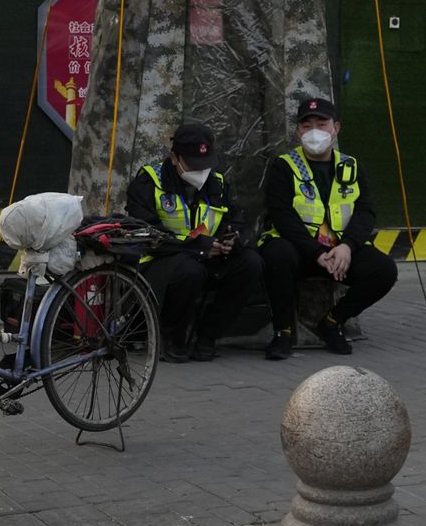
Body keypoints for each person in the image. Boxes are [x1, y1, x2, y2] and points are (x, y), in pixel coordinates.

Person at [260, 97, 398, 360]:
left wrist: (347, 247)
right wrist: (315, 252)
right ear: (298, 130)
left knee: (383, 270)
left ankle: (333, 322)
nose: (314, 132)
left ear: (336, 128)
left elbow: (365, 211)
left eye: (321, 124)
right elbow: (282, 215)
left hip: (339, 252)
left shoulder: (351, 166)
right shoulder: (284, 166)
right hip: (301, 250)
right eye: (306, 125)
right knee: (275, 255)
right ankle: (283, 332)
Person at [126, 123, 263, 363]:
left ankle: (207, 336)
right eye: (193, 165)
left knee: (250, 264)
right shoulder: (149, 181)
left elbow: (236, 220)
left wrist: (231, 239)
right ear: (174, 158)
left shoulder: (218, 182)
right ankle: (172, 339)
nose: (201, 171)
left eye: (206, 164)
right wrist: (200, 247)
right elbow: (146, 232)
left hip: (208, 254)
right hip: (163, 260)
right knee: (191, 271)